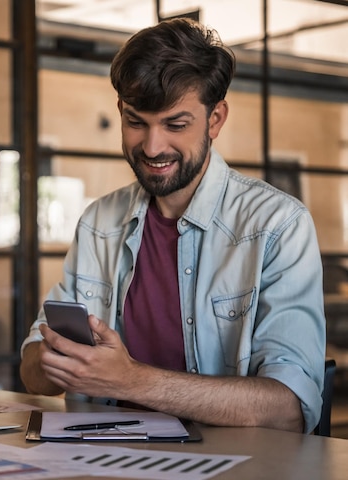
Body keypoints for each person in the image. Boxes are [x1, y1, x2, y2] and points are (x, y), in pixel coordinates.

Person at [20, 18, 325, 434]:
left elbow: (287, 408)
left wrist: (129, 380)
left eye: (175, 125)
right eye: (136, 121)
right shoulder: (99, 222)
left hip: (230, 466)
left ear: (215, 119)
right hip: (102, 460)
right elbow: (31, 373)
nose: (152, 146)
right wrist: (53, 359)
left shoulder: (277, 225)